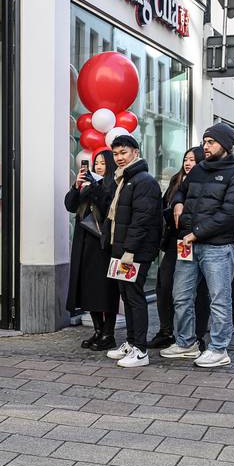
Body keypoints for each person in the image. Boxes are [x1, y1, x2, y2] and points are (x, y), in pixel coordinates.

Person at [165, 123, 234, 368]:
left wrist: (197, 233)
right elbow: (180, 191)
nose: (206, 146)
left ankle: (219, 348)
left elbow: (230, 214)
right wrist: (178, 204)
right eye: (205, 142)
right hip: (188, 244)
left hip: (217, 247)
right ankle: (186, 343)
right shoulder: (199, 169)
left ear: (226, 145)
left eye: (211, 142)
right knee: (180, 296)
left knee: (219, 299)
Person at [103, 135, 163, 367]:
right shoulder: (124, 180)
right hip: (122, 249)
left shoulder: (143, 181)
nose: (119, 158)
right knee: (126, 296)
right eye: (116, 154)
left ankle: (141, 350)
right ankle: (130, 342)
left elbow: (142, 220)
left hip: (135, 251)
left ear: (135, 153)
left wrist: (129, 250)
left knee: (135, 297)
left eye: (123, 153)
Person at [150, 147, 210, 351]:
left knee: (198, 291)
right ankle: (165, 330)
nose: (188, 163)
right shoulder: (176, 181)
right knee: (164, 286)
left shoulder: (205, 180)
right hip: (174, 243)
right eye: (186, 159)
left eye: (192, 159)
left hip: (197, 241)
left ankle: (197, 334)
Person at [65, 149, 120, 351]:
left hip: (102, 244)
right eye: (96, 163)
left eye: (103, 163)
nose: (98, 166)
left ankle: (109, 333)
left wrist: (94, 188)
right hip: (84, 241)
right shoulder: (86, 183)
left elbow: (107, 208)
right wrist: (76, 186)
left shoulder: (113, 184)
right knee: (87, 288)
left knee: (105, 289)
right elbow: (70, 205)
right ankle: (98, 330)